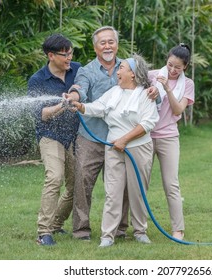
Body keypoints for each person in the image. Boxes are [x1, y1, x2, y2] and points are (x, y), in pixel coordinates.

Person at [68, 26, 159, 241]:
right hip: (94, 138)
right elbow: (83, 92)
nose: (107, 46)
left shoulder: (130, 69)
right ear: (95, 46)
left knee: (128, 187)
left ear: (117, 44)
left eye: (111, 41)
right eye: (102, 42)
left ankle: (123, 230)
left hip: (128, 142)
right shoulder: (88, 71)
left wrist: (156, 92)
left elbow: (150, 104)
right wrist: (76, 100)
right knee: (86, 183)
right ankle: (84, 231)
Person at [27, 34, 82, 246]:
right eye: (64, 54)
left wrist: (75, 93)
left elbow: (83, 86)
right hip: (50, 136)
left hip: (75, 136)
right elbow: (40, 114)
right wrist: (62, 106)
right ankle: (44, 232)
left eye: (70, 53)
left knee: (77, 183)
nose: (69, 57)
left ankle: (57, 223)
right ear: (51, 55)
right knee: (54, 177)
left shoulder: (77, 69)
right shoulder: (37, 80)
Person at [148, 43, 195, 240]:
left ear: (185, 66)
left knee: (171, 184)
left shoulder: (188, 84)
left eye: (177, 67)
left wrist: (167, 88)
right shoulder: (152, 75)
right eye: (169, 65)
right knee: (140, 183)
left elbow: (177, 111)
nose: (172, 70)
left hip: (168, 137)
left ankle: (178, 229)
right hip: (145, 136)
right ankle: (138, 228)